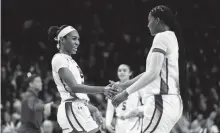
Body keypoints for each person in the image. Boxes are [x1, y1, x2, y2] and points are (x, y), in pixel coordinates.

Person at [111, 5, 188, 133]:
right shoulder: (171, 37)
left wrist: (125, 94)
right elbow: (150, 73)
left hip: (161, 101)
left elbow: (153, 73)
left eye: (149, 20)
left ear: (157, 20)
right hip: (169, 101)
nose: (148, 25)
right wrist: (123, 86)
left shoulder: (162, 37)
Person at [48, 25, 117, 133]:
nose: (77, 42)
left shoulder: (71, 61)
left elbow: (77, 96)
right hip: (71, 109)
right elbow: (74, 88)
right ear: (62, 40)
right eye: (74, 39)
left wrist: (93, 108)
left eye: (78, 39)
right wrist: (103, 89)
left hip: (79, 108)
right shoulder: (59, 59)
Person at [105, 64, 143, 133]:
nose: (121, 72)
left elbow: (147, 103)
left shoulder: (137, 85)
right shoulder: (113, 87)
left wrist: (139, 109)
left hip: (134, 121)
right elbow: (110, 109)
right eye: (119, 71)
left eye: (124, 70)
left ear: (130, 73)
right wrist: (108, 123)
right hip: (119, 123)